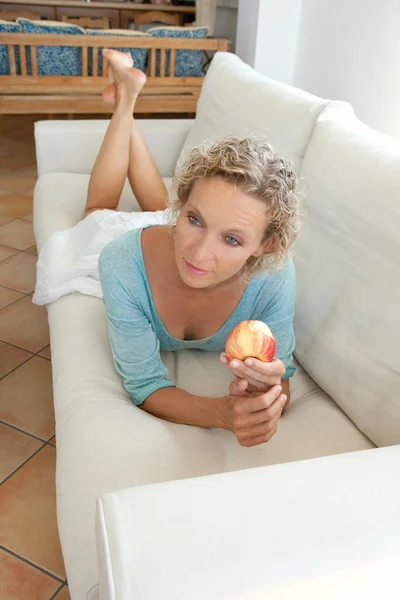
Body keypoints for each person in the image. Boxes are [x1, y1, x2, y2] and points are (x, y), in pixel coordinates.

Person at [87, 49, 301, 448]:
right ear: (180, 206)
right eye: (194, 218)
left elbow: (281, 375)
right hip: (144, 238)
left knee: (157, 208)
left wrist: (269, 395)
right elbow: (145, 384)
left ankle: (127, 97)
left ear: (265, 246)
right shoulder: (121, 264)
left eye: (233, 239)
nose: (199, 255)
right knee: (100, 208)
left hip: (166, 226)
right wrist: (221, 413)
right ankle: (126, 103)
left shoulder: (273, 275)